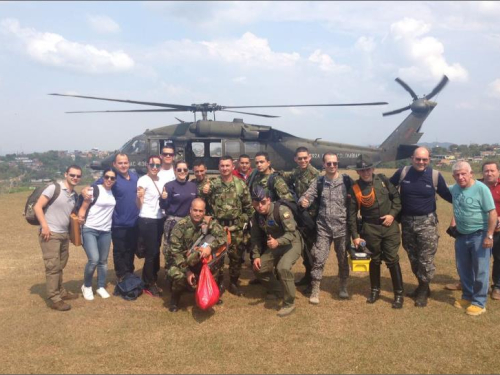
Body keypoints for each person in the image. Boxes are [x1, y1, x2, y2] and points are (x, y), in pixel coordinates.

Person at [389, 147, 453, 307]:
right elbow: (388, 189)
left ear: (429, 159)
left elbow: (448, 195)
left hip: (427, 223)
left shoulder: (435, 176)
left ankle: (423, 291)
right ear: (412, 158)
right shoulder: (402, 173)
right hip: (407, 223)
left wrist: (469, 197)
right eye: (418, 159)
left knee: (426, 259)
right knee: (413, 258)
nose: (421, 162)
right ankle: (422, 285)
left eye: (424, 159)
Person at [348, 155, 404, 309]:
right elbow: (352, 215)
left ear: (373, 169)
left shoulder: (384, 181)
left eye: (368, 169)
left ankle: (399, 295)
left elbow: (397, 200)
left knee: (392, 259)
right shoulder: (355, 188)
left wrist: (392, 215)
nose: (365, 172)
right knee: (375, 259)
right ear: (358, 172)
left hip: (389, 226)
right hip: (370, 228)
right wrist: (355, 237)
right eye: (362, 170)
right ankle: (375, 291)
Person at [300, 152, 352, 303]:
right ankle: (315, 289)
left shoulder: (346, 181)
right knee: (319, 259)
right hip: (323, 228)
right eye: (328, 163)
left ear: (338, 163)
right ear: (323, 164)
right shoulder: (319, 181)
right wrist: (304, 201)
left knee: (342, 259)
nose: (332, 166)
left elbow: (358, 196)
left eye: (334, 163)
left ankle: (343, 286)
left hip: (342, 228)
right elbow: (308, 195)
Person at [200, 155, 253, 296]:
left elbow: (248, 208)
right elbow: (201, 200)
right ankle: (218, 284)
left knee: (236, 258)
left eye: (227, 165)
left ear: (232, 167)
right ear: (219, 167)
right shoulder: (212, 184)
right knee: (217, 259)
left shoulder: (240, 184)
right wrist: (203, 190)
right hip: (217, 228)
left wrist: (241, 223)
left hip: (236, 229)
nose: (224, 168)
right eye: (222, 166)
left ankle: (234, 283)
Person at [83, 153, 139, 283]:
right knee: (120, 251)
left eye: (125, 162)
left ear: (129, 163)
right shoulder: (112, 177)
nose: (123, 165)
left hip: (134, 222)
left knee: (131, 250)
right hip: (118, 223)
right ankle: (121, 275)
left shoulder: (135, 177)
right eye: (120, 163)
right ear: (114, 164)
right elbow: (94, 186)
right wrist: (85, 189)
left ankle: (129, 273)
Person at [451, 161, 497, 316]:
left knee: (480, 270)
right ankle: (467, 296)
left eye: (464, 173)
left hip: (479, 234)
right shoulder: (455, 188)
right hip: (461, 235)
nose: (461, 177)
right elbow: (437, 189)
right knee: (463, 269)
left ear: (470, 173)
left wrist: (489, 236)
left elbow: (492, 213)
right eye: (457, 175)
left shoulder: (481, 188)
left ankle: (479, 302)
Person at [33, 165, 81, 311]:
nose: (75, 178)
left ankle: (60, 291)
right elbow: (37, 207)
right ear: (66, 174)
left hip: (64, 234)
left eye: (78, 176)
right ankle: (54, 298)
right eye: (72, 175)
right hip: (50, 233)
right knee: (53, 267)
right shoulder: (54, 188)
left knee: (61, 264)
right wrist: (44, 226)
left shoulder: (74, 195)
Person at [250, 185, 302, 317]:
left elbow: (291, 233)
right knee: (259, 268)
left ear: (268, 199)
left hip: (292, 243)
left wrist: (277, 242)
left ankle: (289, 303)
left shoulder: (282, 210)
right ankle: (278, 289)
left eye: (263, 202)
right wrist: (256, 256)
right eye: (256, 203)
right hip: (274, 245)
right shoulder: (256, 216)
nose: (260, 206)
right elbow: (255, 237)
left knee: (283, 268)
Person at [167, 198, 227, 312]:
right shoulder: (180, 226)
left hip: (196, 259)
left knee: (215, 265)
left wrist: (210, 247)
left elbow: (222, 237)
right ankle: (175, 298)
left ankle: (210, 292)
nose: (197, 213)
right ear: (190, 210)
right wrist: (187, 271)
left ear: (204, 212)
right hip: (180, 261)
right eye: (195, 210)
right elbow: (175, 252)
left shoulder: (208, 222)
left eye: (200, 211)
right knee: (179, 276)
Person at [281, 146, 320, 292]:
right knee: (304, 249)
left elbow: (318, 195)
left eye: (305, 158)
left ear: (309, 157)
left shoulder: (315, 174)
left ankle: (313, 281)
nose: (303, 160)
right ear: (295, 159)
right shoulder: (296, 172)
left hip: (311, 217)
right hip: (300, 216)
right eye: (300, 158)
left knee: (312, 251)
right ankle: (307, 275)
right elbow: (286, 175)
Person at [77, 168, 117, 301]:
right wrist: (81, 218)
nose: (109, 180)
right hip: (90, 229)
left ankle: (100, 286)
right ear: (103, 177)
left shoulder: (113, 192)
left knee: (103, 261)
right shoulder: (94, 189)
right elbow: (83, 207)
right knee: (93, 259)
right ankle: (87, 286)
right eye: (107, 177)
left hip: (106, 231)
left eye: (112, 178)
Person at [160, 160, 197, 270]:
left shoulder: (193, 186)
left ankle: (186, 272)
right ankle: (171, 273)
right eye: (179, 170)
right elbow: (163, 206)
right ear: (175, 171)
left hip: (189, 222)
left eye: (184, 170)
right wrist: (163, 198)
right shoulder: (169, 186)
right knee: (171, 249)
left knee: (188, 248)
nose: (182, 172)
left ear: (187, 171)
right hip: (173, 222)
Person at [137, 155, 165, 297]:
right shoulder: (143, 180)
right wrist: (139, 197)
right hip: (147, 219)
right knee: (151, 253)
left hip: (159, 218)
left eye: (157, 165)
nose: (155, 167)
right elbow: (139, 203)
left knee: (156, 250)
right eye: (152, 165)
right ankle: (148, 283)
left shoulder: (160, 180)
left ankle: (154, 277)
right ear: (147, 165)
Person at [479, 161, 500, 299]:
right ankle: (472, 283)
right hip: (479, 228)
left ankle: (497, 287)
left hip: (499, 229)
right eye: (486, 171)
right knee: (477, 258)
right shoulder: (477, 185)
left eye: (492, 170)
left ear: (498, 172)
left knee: (498, 258)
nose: (489, 173)